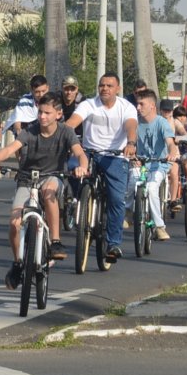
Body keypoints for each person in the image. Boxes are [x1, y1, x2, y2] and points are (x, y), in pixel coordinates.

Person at [0, 91, 86, 288]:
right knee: (14, 223)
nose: (42, 116)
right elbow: (10, 148)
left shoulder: (66, 132)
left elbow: (80, 153)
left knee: (49, 192)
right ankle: (18, 263)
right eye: (40, 112)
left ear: (58, 114)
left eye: (47, 113)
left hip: (53, 176)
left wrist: (82, 166)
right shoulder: (30, 131)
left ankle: (55, 241)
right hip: (26, 180)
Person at [66, 73, 138, 263]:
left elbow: (131, 125)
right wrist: (63, 135)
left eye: (109, 85)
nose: (104, 88)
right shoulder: (89, 104)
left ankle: (113, 243)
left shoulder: (126, 107)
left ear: (118, 89)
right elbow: (73, 122)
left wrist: (130, 143)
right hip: (89, 153)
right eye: (102, 85)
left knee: (116, 199)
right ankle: (77, 202)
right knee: (72, 168)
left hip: (115, 156)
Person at [131, 89, 178, 240]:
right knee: (132, 181)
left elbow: (171, 143)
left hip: (159, 164)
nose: (138, 107)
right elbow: (129, 142)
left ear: (152, 106)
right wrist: (133, 156)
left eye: (141, 104)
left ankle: (159, 226)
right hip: (142, 163)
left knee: (151, 188)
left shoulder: (161, 122)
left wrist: (171, 153)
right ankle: (127, 214)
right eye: (137, 104)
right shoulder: (135, 122)